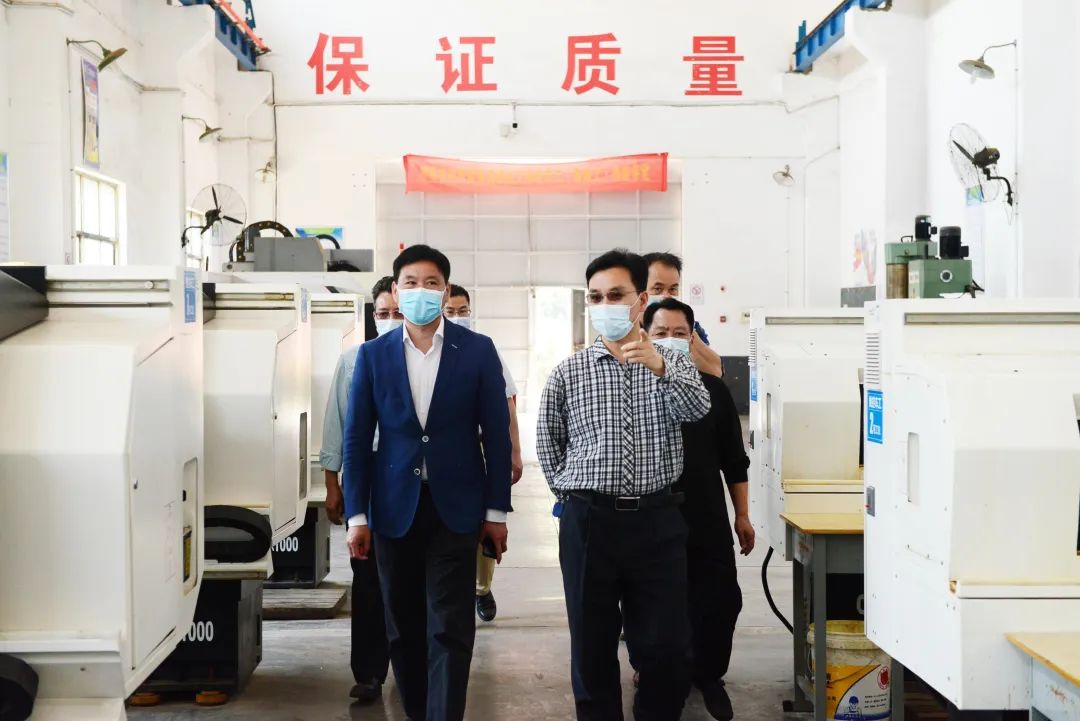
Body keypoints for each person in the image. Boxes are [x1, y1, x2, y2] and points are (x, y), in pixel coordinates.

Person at [536, 248, 711, 721]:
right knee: (591, 646)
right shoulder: (569, 372)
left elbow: (698, 410)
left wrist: (660, 366)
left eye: (616, 295)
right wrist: (575, 498)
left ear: (640, 301)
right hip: (590, 522)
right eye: (595, 297)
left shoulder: (672, 364)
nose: (605, 305)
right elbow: (549, 442)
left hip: (657, 521)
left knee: (666, 648)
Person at [342, 244, 512, 721]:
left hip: (455, 508)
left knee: (450, 627)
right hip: (393, 509)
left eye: (431, 283)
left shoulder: (477, 350)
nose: (421, 291)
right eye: (411, 283)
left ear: (446, 291)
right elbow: (356, 439)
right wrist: (357, 516)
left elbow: (496, 435)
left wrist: (496, 512)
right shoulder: (372, 356)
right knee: (403, 628)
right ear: (396, 293)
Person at [642, 297, 754, 721]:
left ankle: (709, 675)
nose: (669, 340)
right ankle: (653, 673)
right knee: (655, 603)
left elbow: (734, 460)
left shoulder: (714, 391)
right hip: (652, 517)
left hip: (706, 517)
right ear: (645, 336)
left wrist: (742, 515)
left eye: (679, 333)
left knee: (720, 599)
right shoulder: (635, 390)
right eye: (660, 333)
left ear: (692, 339)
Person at [321, 275, 399, 703]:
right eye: (383, 313)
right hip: (365, 480)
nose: (390, 320)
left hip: (409, 478)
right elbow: (336, 423)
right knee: (368, 580)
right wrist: (332, 484)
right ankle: (369, 672)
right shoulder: (354, 361)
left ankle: (411, 666)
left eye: (397, 313)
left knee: (410, 579)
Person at [443, 284, 524, 623]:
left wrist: (514, 451)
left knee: (484, 521)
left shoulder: (482, 349)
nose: (458, 317)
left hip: (479, 449)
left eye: (463, 311)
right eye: (451, 311)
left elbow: (507, 404)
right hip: (442, 453)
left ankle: (481, 587)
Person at [642, 252, 724, 378]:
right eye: (658, 289)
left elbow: (716, 371)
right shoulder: (625, 330)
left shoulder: (691, 328)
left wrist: (687, 334)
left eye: (672, 289)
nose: (667, 296)